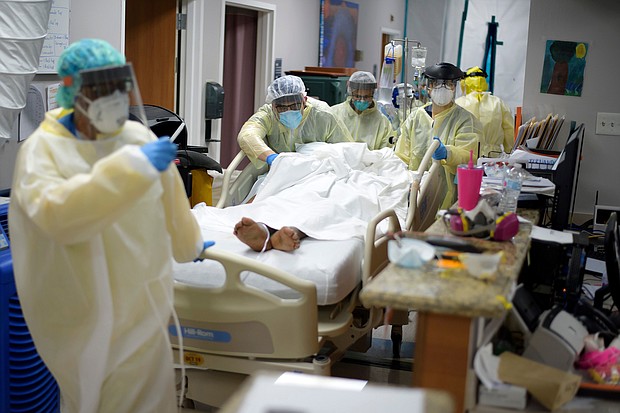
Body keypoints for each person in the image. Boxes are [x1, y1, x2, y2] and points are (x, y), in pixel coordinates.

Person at [8, 38, 213, 412]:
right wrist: (131, 168)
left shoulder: (134, 136)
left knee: (144, 395)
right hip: (75, 303)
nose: (115, 97)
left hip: (139, 297)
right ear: (73, 92)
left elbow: (169, 195)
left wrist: (190, 244)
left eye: (119, 86)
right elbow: (56, 216)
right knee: (87, 396)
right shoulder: (43, 151)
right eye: (102, 89)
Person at [395, 62, 483, 209]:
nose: (443, 88)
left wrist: (447, 153)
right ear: (428, 88)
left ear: (455, 87)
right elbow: (401, 156)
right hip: (413, 191)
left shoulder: (465, 120)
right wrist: (403, 182)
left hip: (446, 195)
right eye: (437, 84)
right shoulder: (416, 117)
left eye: (449, 84)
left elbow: (470, 156)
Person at [237, 75, 353, 168]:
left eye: (295, 106)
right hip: (282, 170)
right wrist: (272, 158)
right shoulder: (268, 115)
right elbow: (247, 135)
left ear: (304, 101)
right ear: (272, 106)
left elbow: (347, 148)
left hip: (319, 171)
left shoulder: (323, 114)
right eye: (282, 108)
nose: (288, 111)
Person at [455, 66, 515, 156]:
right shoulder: (498, 103)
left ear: (464, 83)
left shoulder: (458, 104)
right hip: (492, 157)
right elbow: (509, 131)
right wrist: (509, 152)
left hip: (466, 155)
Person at [329, 71, 394, 150]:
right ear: (350, 92)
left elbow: (385, 153)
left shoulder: (382, 122)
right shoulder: (334, 114)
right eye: (357, 96)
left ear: (373, 94)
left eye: (366, 97)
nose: (362, 100)